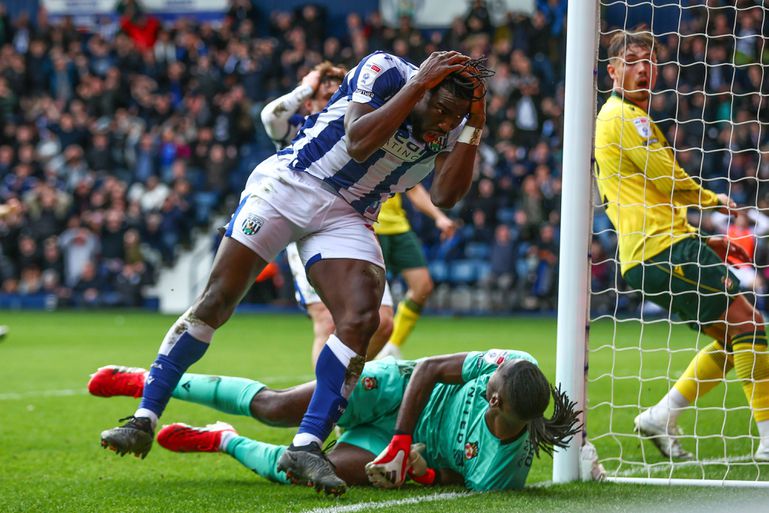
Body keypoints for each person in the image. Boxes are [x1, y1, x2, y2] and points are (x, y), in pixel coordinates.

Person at [99, 49, 492, 495]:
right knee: (217, 301)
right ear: (426, 85)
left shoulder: (457, 122)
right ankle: (144, 418)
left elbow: (445, 196)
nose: (444, 123)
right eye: (441, 110)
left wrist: (473, 125)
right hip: (295, 182)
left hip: (351, 213)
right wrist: (417, 86)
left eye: (455, 115)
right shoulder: (385, 71)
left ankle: (306, 445)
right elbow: (360, 141)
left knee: (363, 319)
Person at [594, 29, 769, 461]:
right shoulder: (624, 118)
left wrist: (703, 237)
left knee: (735, 338)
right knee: (750, 324)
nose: (642, 69)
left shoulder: (627, 118)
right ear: (612, 70)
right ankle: (767, 439)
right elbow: (668, 179)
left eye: (648, 61)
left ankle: (661, 414)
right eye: (631, 61)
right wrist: (716, 202)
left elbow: (650, 196)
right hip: (662, 250)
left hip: (659, 248)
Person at [88, 349, 579, 491]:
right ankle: (150, 384)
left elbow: (455, 478)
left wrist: (420, 472)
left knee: (308, 468)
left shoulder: (500, 473)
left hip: (394, 447)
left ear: (499, 407)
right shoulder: (509, 362)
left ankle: (222, 440)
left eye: (489, 393)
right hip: (394, 391)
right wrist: (404, 440)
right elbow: (429, 369)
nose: (487, 387)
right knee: (276, 408)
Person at [260, 61, 394, 364]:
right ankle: (322, 400)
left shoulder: (362, 130)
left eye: (339, 93)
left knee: (383, 322)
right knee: (326, 320)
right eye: (325, 94)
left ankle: (343, 382)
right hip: (307, 229)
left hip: (351, 227)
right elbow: (270, 116)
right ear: (310, 102)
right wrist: (307, 85)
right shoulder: (298, 128)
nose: (333, 100)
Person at [373, 187, 456, 360]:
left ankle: (390, 347)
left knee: (423, 286)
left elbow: (414, 189)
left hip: (398, 226)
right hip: (368, 224)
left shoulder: (397, 159)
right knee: (372, 300)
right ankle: (357, 360)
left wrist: (439, 217)